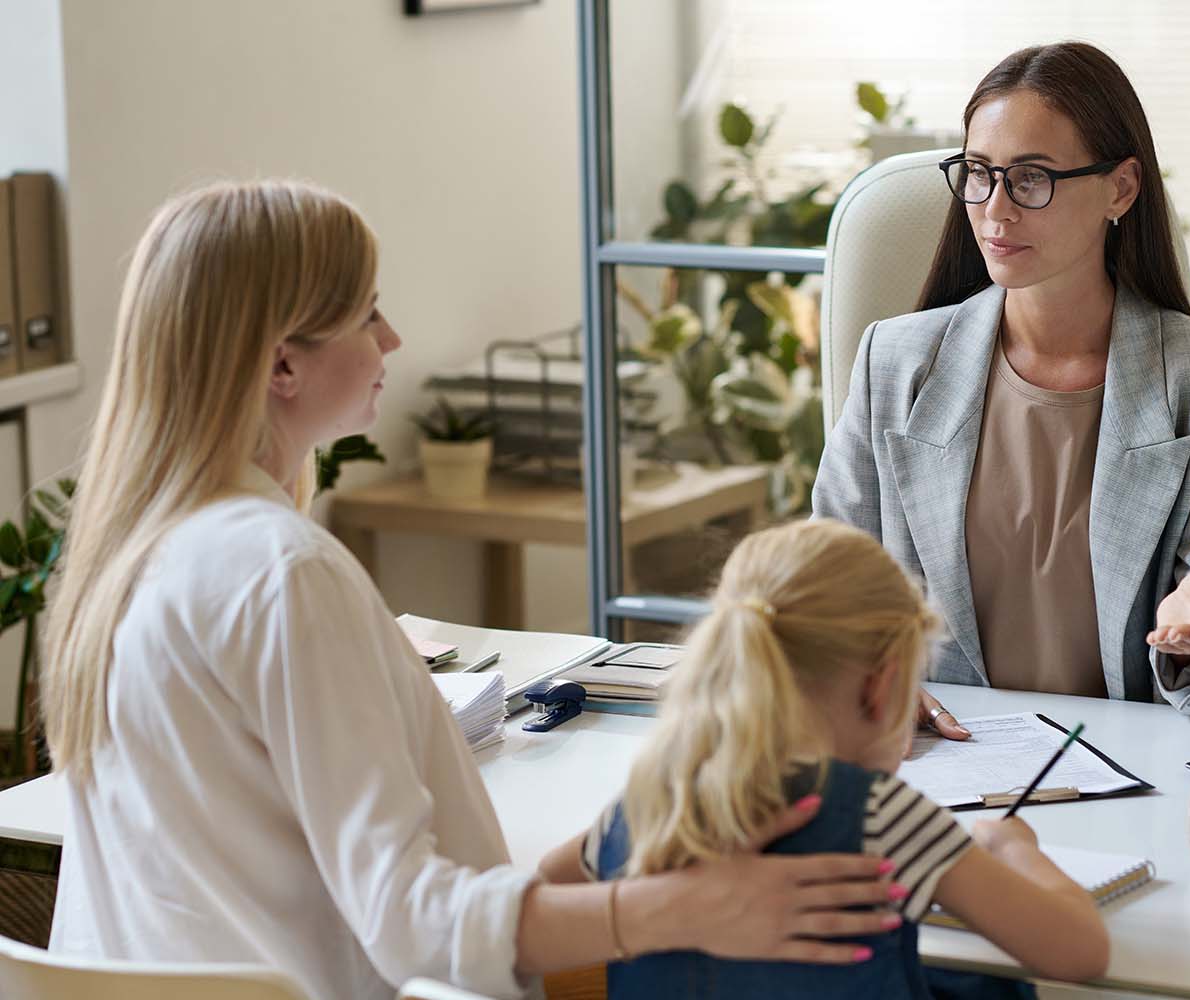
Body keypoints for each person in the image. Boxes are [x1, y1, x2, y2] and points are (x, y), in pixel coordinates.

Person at [41, 180, 899, 1000]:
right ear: (281, 366)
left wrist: (607, 846)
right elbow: (412, 930)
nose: (392, 340)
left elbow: (315, 882)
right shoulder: (282, 573)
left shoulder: (137, 553)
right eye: (366, 312)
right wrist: (676, 907)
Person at [812, 41, 1190, 731]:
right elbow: (824, 590)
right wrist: (867, 683)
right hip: (938, 755)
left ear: (1121, 187)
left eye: (1029, 178)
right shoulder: (894, 363)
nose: (995, 209)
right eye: (978, 173)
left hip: (1126, 769)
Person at [538, 518, 1111, 999]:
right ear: (884, 687)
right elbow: (1079, 951)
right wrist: (1016, 850)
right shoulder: (880, 817)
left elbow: (547, 884)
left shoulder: (653, 799)